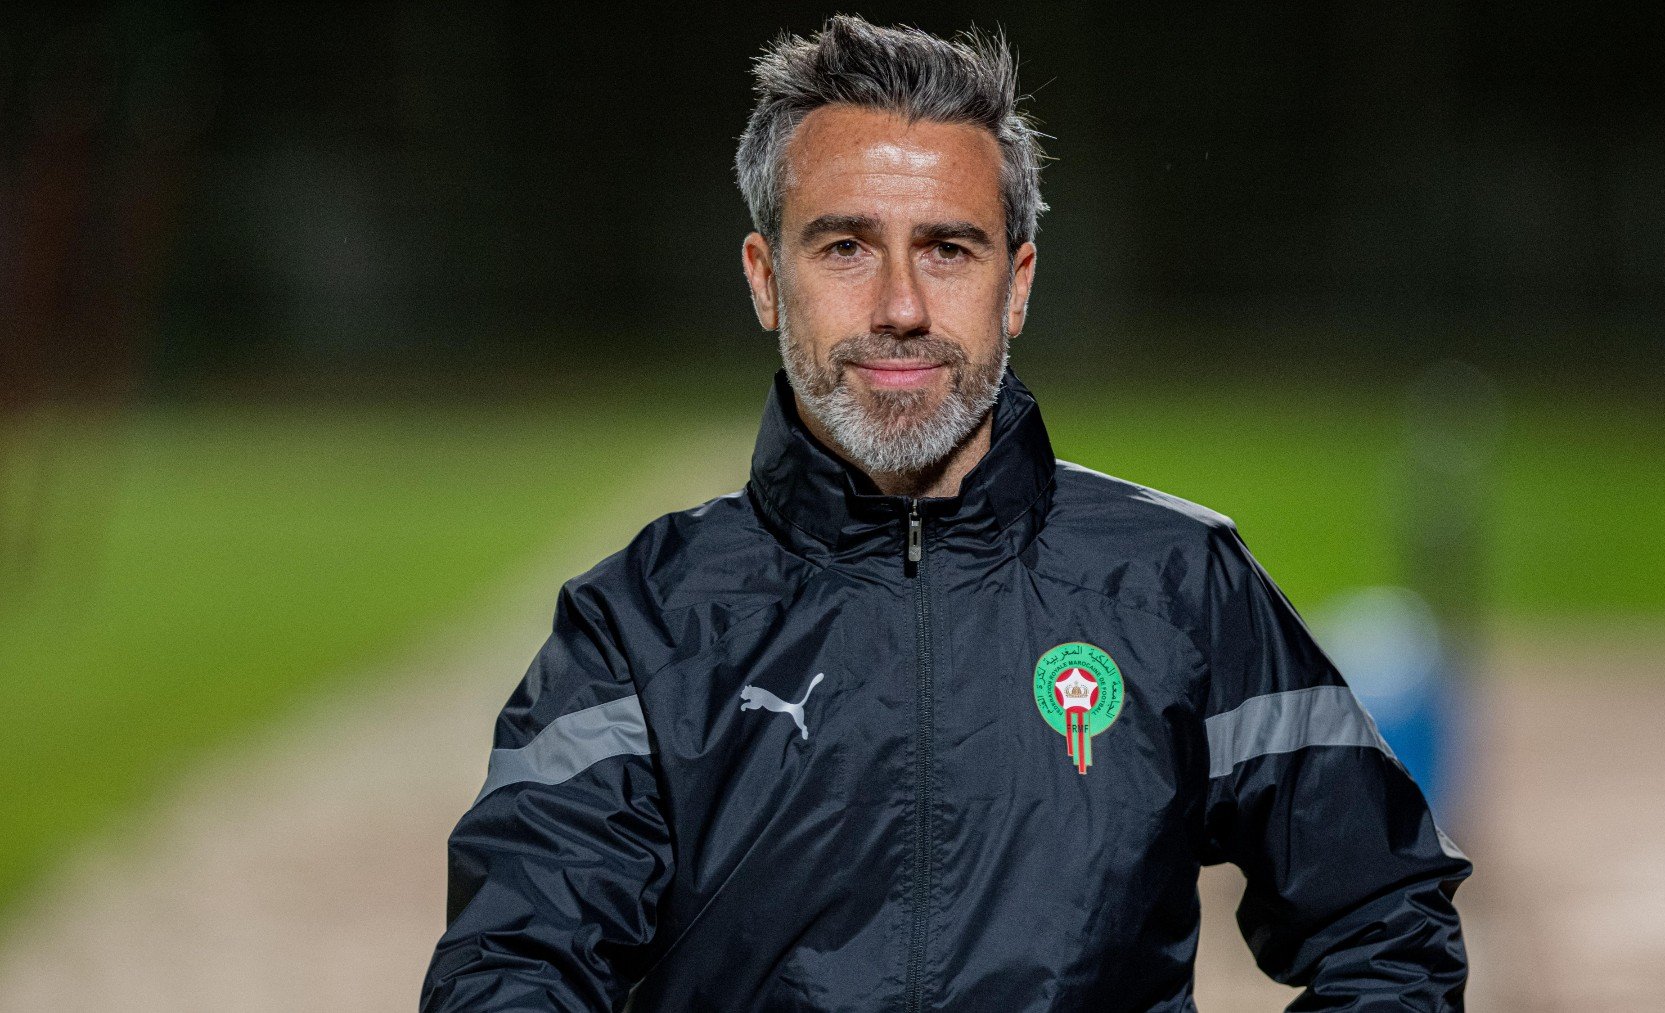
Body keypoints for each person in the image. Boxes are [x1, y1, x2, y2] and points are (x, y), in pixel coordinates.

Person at [420, 15, 1471, 1011]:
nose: (901, 307)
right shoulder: (640, 626)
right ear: (764, 278)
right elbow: (513, 966)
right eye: (843, 247)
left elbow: (1385, 918)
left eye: (948, 248)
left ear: (1014, 284)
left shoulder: (1179, 584)